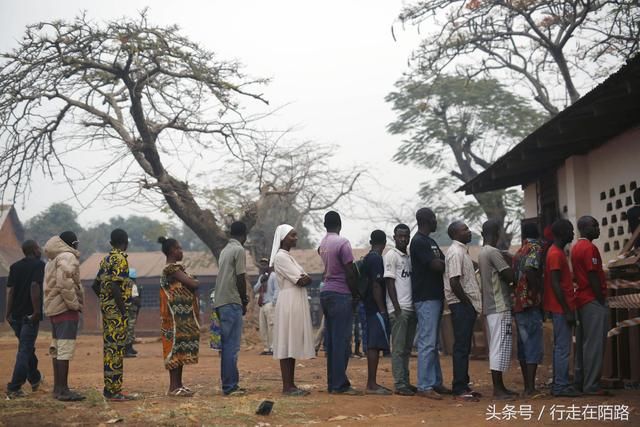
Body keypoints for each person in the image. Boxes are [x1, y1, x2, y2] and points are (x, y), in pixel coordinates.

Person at [409, 209, 452, 399]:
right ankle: (424, 385)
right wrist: (452, 264)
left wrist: (446, 263)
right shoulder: (418, 241)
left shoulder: (431, 242)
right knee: (427, 342)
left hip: (434, 296)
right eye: (434, 218)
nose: (437, 221)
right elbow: (436, 265)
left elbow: (442, 260)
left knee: (433, 343)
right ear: (427, 220)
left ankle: (435, 382)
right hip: (425, 297)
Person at [318, 211, 360, 395]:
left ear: (325, 225)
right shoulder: (343, 243)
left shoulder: (323, 243)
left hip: (326, 291)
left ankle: (332, 383)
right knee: (342, 340)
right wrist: (356, 294)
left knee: (332, 340)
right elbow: (350, 271)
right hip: (341, 292)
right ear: (340, 224)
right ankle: (340, 384)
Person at [270, 224, 315, 396]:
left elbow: (305, 278)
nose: (296, 238)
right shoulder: (281, 257)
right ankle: (287, 386)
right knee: (286, 342)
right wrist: (306, 277)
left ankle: (291, 385)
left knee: (291, 341)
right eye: (292, 235)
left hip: (294, 300)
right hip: (289, 301)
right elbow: (301, 280)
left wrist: (306, 278)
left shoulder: (289, 257)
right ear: (282, 238)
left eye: (296, 235)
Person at [444, 221, 483, 402]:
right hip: (461, 305)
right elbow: (454, 282)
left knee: (464, 345)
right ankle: (459, 387)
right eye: (465, 229)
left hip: (465, 305)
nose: (469, 232)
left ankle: (463, 384)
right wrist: (467, 303)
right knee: (461, 346)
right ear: (455, 234)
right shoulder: (455, 252)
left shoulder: (462, 251)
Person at [44, 231, 85, 401]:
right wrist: (74, 305)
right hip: (65, 310)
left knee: (58, 350)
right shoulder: (68, 256)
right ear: (73, 243)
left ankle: (58, 389)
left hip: (54, 309)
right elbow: (65, 283)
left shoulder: (52, 260)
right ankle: (64, 391)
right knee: (65, 351)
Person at [93, 228, 134, 401]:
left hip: (108, 311)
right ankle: (114, 391)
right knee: (116, 350)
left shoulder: (106, 260)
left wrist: (105, 301)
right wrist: (123, 311)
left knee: (111, 349)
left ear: (111, 243)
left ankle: (110, 389)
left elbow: (95, 286)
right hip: (117, 313)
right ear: (126, 242)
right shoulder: (121, 260)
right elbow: (116, 286)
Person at [572, 216, 610, 396]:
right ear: (585, 228)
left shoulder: (576, 247)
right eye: (595, 226)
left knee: (583, 344)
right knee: (594, 344)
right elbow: (593, 275)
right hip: (592, 299)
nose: (598, 229)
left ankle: (580, 382)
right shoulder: (589, 248)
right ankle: (592, 385)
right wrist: (601, 297)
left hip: (581, 299)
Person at [478, 219, 516, 399]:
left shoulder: (482, 252)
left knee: (497, 346)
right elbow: (509, 275)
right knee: (499, 347)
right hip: (499, 304)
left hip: (491, 306)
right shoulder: (493, 252)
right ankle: (498, 388)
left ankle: (500, 387)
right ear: (497, 233)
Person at [157, 237, 200, 396]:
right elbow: (193, 284)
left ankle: (179, 385)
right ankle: (173, 387)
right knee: (175, 350)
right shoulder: (171, 269)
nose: (181, 251)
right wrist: (194, 282)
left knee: (180, 350)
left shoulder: (177, 269)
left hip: (180, 319)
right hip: (173, 319)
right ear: (171, 251)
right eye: (179, 248)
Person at [544, 219, 580, 397]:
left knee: (561, 347)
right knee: (563, 348)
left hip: (561, 307)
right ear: (563, 233)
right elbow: (556, 284)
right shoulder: (555, 254)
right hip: (561, 308)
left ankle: (560, 383)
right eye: (571, 230)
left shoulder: (556, 252)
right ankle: (560, 386)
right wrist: (567, 310)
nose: (573, 234)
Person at [5, 240, 45, 399]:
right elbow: (35, 286)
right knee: (25, 350)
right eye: (38, 247)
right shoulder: (38, 265)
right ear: (35, 250)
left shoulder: (15, 267)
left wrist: (8, 314)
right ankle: (14, 387)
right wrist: (36, 312)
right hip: (29, 316)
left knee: (27, 348)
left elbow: (11, 291)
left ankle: (35, 379)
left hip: (15, 316)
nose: (40, 249)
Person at [213, 221, 249, 396]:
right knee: (232, 347)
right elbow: (241, 277)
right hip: (232, 300)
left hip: (220, 301)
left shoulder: (224, 251)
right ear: (244, 235)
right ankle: (230, 386)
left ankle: (229, 383)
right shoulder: (239, 250)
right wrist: (244, 299)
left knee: (226, 346)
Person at [511, 222, 545, 397]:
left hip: (518, 303)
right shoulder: (536, 248)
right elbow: (531, 271)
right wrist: (539, 290)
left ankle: (527, 386)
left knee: (523, 346)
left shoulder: (519, 251)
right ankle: (530, 388)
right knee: (532, 344)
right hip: (530, 302)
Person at [361, 230, 392, 395]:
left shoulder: (368, 257)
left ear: (371, 241)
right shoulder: (376, 259)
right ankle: (371, 384)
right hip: (374, 307)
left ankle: (372, 382)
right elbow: (376, 285)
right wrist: (382, 308)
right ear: (385, 243)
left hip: (368, 306)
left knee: (374, 343)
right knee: (374, 344)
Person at [253, 258, 278, 356]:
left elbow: (277, 289)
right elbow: (255, 289)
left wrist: (274, 302)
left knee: (271, 326)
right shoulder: (261, 277)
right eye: (261, 264)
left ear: (269, 265)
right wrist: (260, 282)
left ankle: (273, 347)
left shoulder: (273, 276)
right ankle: (266, 347)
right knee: (263, 327)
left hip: (269, 303)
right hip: (262, 305)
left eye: (265, 264)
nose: (263, 266)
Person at [124, 268, 141, 358]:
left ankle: (130, 348)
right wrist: (139, 303)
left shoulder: (123, 282)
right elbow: (134, 297)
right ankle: (127, 350)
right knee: (129, 329)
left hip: (124, 309)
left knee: (127, 329)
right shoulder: (132, 284)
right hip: (130, 310)